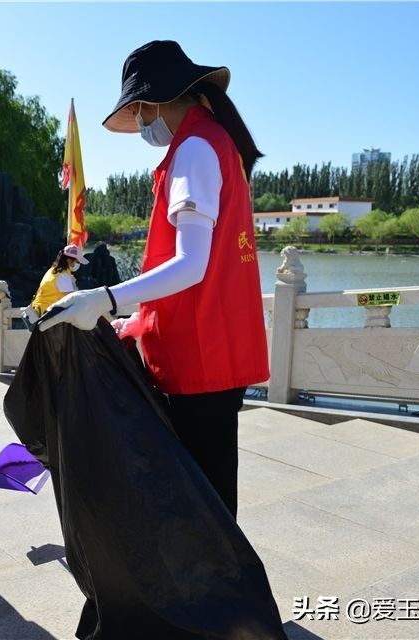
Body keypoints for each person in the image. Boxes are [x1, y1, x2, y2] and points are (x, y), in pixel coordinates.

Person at [40, 41, 269, 519]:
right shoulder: (213, 142)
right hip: (214, 346)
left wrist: (105, 298)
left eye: (139, 112)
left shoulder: (195, 149)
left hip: (200, 356)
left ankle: (215, 571)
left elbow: (191, 264)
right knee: (209, 495)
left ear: (151, 103)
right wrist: (140, 321)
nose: (141, 123)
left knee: (202, 506)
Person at [30, 244, 89, 317]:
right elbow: (72, 299)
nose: (79, 265)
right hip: (47, 313)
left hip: (40, 308)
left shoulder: (53, 270)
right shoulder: (63, 276)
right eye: (78, 262)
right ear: (69, 261)